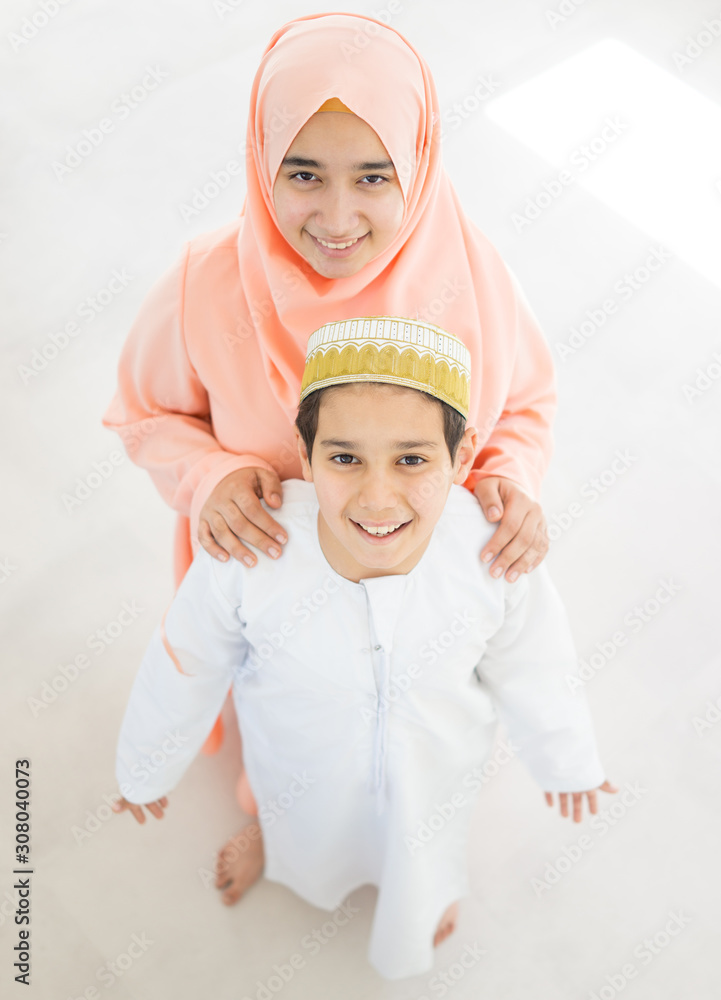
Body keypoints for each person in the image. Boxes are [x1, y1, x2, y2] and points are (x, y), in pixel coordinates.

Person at [112, 316, 616, 981]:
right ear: (305, 449)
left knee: (420, 839)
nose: (377, 498)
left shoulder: (488, 553)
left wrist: (566, 760)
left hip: (433, 764)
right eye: (344, 457)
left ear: (461, 459)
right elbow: (185, 663)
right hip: (294, 751)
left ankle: (422, 890)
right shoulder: (254, 550)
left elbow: (536, 668)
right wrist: (145, 764)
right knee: (297, 811)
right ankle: (274, 838)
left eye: (412, 459)